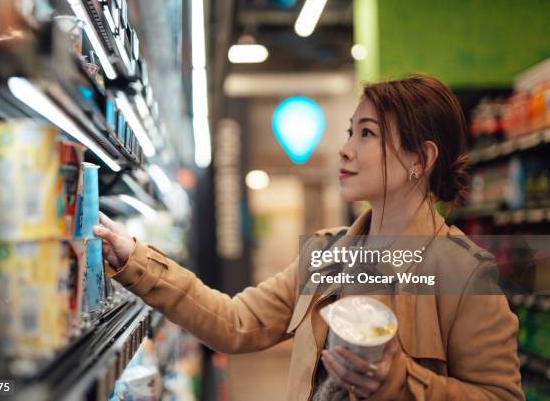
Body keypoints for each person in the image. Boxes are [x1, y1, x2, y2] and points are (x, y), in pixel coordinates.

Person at [93, 74, 524, 400]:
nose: (345, 148)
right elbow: (235, 323)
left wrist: (399, 381)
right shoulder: (326, 254)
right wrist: (135, 260)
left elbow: (499, 396)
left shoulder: (463, 272)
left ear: (421, 158)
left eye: (367, 133)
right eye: (349, 131)